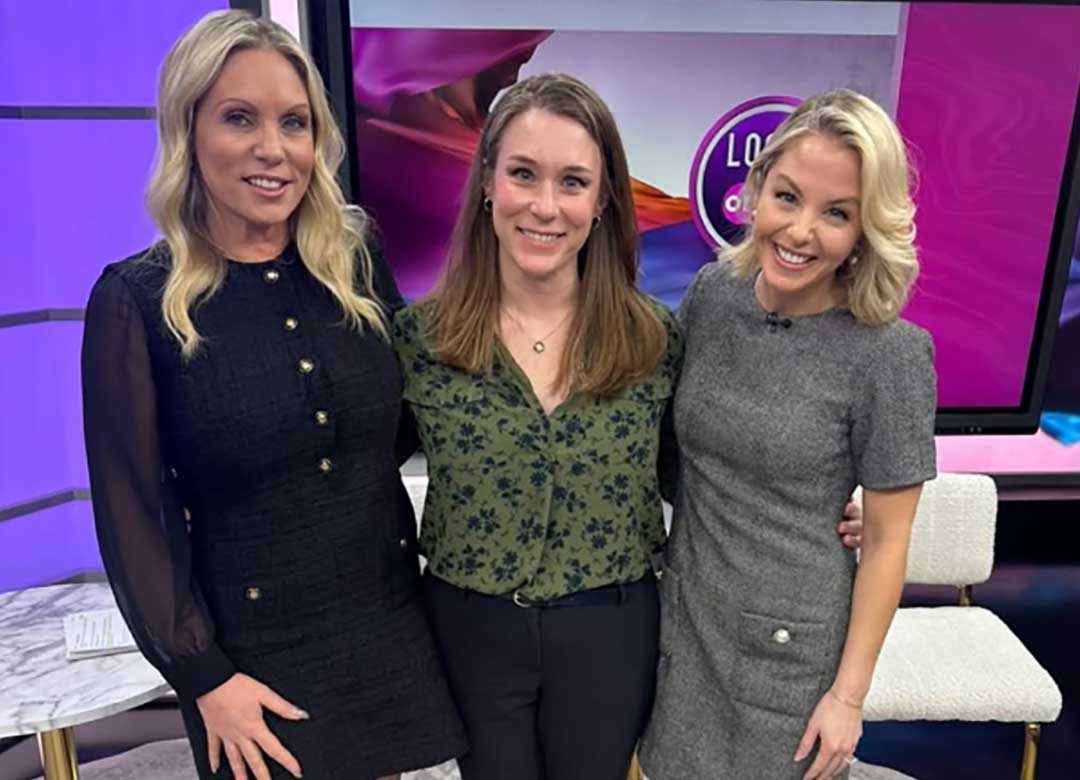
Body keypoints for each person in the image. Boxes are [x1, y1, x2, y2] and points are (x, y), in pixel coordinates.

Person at [392, 74, 864, 780]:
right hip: (470, 630)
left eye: (574, 181)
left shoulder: (652, 340)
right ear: (488, 181)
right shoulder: (419, 340)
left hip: (610, 631)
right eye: (524, 174)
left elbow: (694, 469)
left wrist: (803, 506)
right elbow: (352, 481)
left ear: (604, 197)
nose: (545, 206)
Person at [81, 11, 465, 780]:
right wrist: (204, 679)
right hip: (250, 665)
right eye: (238, 118)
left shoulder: (353, 258)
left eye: (294, 123)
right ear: (187, 130)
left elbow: (389, 431)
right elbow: (137, 520)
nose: (272, 149)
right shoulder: (138, 300)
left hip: (384, 626)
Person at [639, 88, 937, 780]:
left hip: (789, 647)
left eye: (836, 214)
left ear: (867, 231)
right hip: (686, 618)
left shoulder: (889, 354)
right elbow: (674, 449)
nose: (801, 231)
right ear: (754, 191)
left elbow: (889, 544)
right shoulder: (713, 296)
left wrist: (848, 697)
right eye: (787, 197)